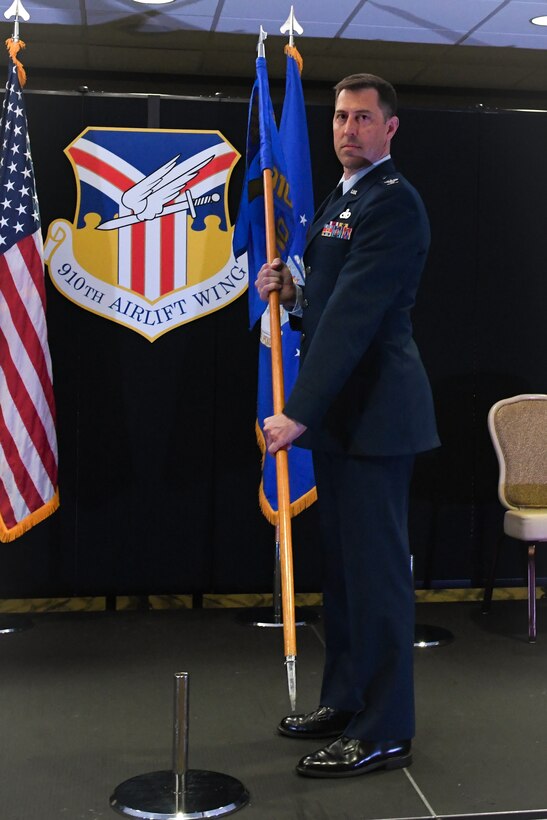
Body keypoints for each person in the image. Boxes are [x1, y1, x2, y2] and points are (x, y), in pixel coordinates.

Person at [255, 73, 440, 779]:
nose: (347, 129)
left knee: (379, 580)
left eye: (363, 118)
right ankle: (346, 701)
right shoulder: (343, 195)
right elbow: (330, 303)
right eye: (338, 117)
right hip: (343, 421)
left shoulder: (394, 205)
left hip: (376, 420)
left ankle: (387, 729)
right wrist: (295, 293)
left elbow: (357, 319)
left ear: (389, 128)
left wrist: (295, 411)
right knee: (344, 579)